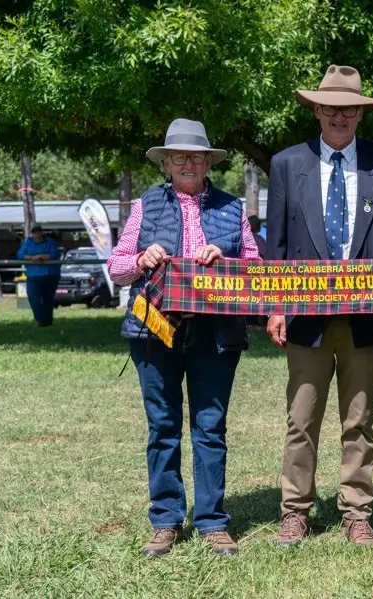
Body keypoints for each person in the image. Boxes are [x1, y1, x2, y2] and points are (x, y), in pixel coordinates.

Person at [266, 65, 373, 546]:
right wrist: (274, 306)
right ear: (317, 109)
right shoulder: (286, 164)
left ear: (360, 114)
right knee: (301, 420)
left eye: (349, 108)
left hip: (367, 316)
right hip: (305, 315)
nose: (339, 114)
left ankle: (357, 511)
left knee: (358, 420)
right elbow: (276, 245)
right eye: (330, 106)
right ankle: (295, 511)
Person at [107, 118, 259, 557]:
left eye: (196, 156)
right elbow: (116, 267)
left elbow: (255, 268)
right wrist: (141, 257)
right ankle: (166, 519)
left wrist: (225, 256)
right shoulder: (144, 206)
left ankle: (212, 521)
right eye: (179, 156)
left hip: (216, 333)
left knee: (210, 427)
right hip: (153, 332)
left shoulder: (232, 209)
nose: (188, 163)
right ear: (167, 163)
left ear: (208, 161)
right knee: (163, 427)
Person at [16, 223, 61, 326]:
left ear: (42, 232)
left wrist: (41, 256)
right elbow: (20, 255)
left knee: (48, 300)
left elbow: (56, 254)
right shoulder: (27, 242)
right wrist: (32, 258)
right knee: (34, 299)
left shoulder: (50, 242)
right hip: (33, 275)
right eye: (34, 231)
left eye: (39, 231)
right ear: (32, 233)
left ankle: (47, 321)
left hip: (50, 275)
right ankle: (40, 320)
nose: (37, 233)